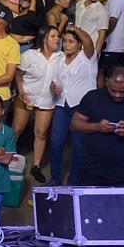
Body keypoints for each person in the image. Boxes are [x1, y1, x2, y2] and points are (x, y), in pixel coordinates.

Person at [48, 27, 97, 186]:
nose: (67, 45)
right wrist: (53, 87)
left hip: (81, 108)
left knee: (78, 146)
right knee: (56, 143)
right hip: (62, 104)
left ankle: (74, 181)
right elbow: (54, 82)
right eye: (65, 41)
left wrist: (74, 28)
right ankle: (55, 179)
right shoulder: (60, 59)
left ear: (79, 44)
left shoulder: (87, 57)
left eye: (71, 42)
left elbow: (89, 42)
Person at [14, 24, 60, 183]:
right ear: (44, 39)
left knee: (41, 133)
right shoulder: (30, 55)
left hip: (47, 100)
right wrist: (21, 91)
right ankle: (5, 158)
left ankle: (36, 166)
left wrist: (56, 87)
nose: (57, 39)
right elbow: (18, 74)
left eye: (57, 36)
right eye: (53, 36)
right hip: (27, 96)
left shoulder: (60, 57)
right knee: (17, 129)